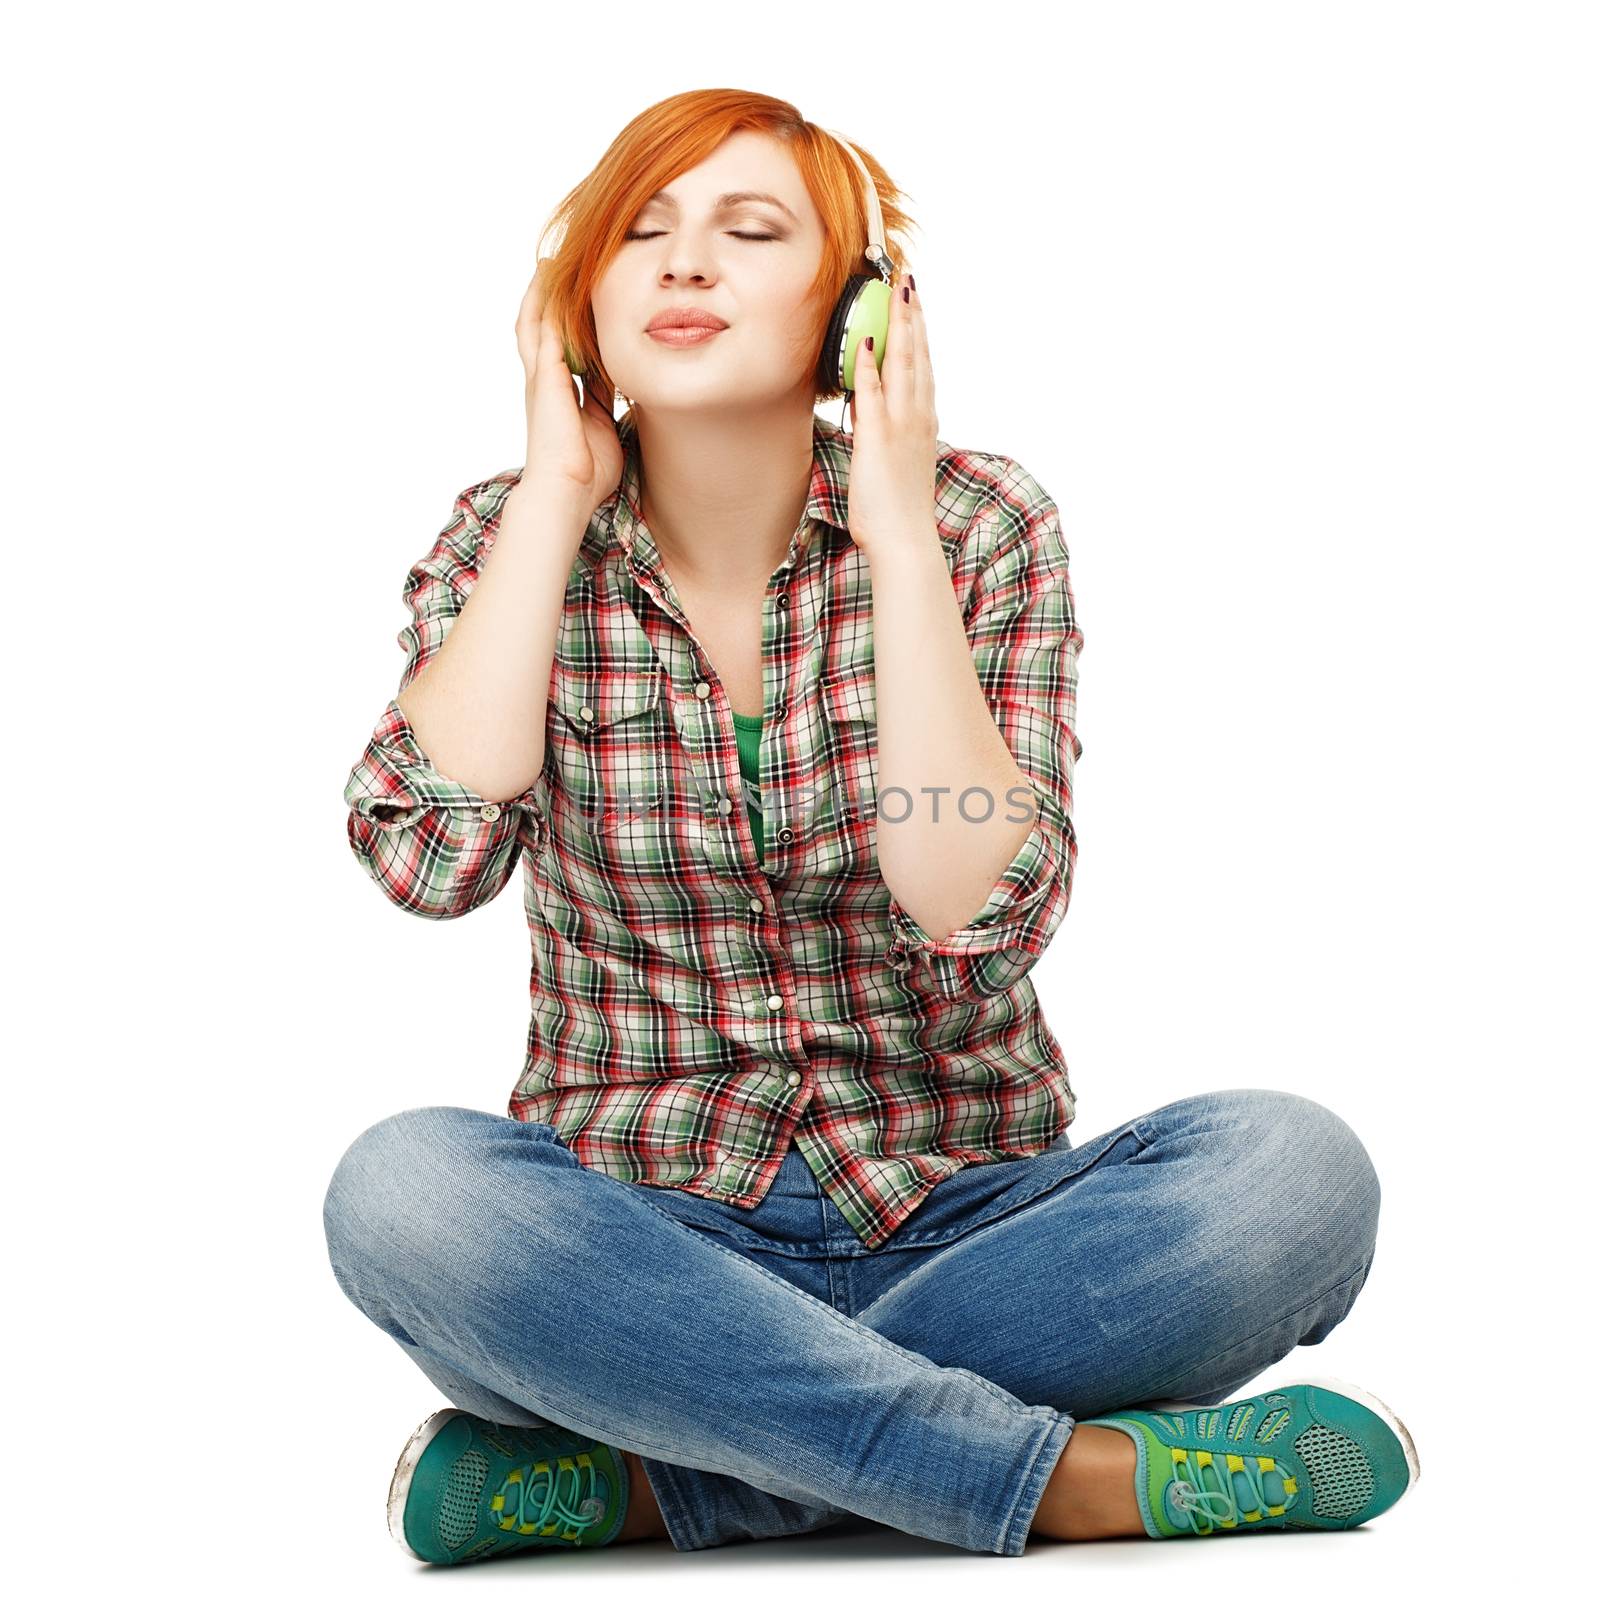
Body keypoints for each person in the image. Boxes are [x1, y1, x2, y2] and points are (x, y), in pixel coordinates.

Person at [323, 90, 1418, 1567]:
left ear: (861, 312)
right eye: (638, 235)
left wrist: (897, 539)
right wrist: (556, 494)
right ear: (575, 305)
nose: (682, 264)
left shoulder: (977, 527)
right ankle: (1064, 1479)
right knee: (404, 1195)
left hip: (972, 1224)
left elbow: (976, 909)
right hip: (647, 1249)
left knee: (1295, 1176)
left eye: (746, 232)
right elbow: (424, 857)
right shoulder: (498, 540)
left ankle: (665, 1476)